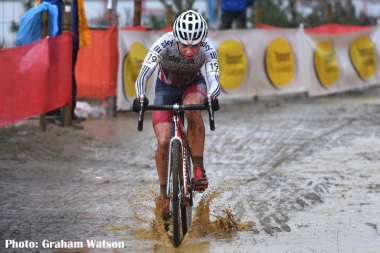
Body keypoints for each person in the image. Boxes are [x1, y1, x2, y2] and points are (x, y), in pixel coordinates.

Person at [133, 10, 221, 218]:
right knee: (163, 142)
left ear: (202, 41)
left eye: (195, 45)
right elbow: (143, 74)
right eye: (184, 45)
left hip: (192, 86)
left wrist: (212, 97)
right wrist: (141, 97)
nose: (190, 51)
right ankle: (164, 194)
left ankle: (198, 168)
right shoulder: (163, 43)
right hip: (165, 89)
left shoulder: (208, 48)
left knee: (193, 111)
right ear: (176, 39)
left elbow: (214, 80)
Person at [38, 0, 90, 129]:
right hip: (54, 39)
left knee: (69, 75)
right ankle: (52, 112)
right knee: (53, 75)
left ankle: (69, 113)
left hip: (72, 39)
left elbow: (78, 15)